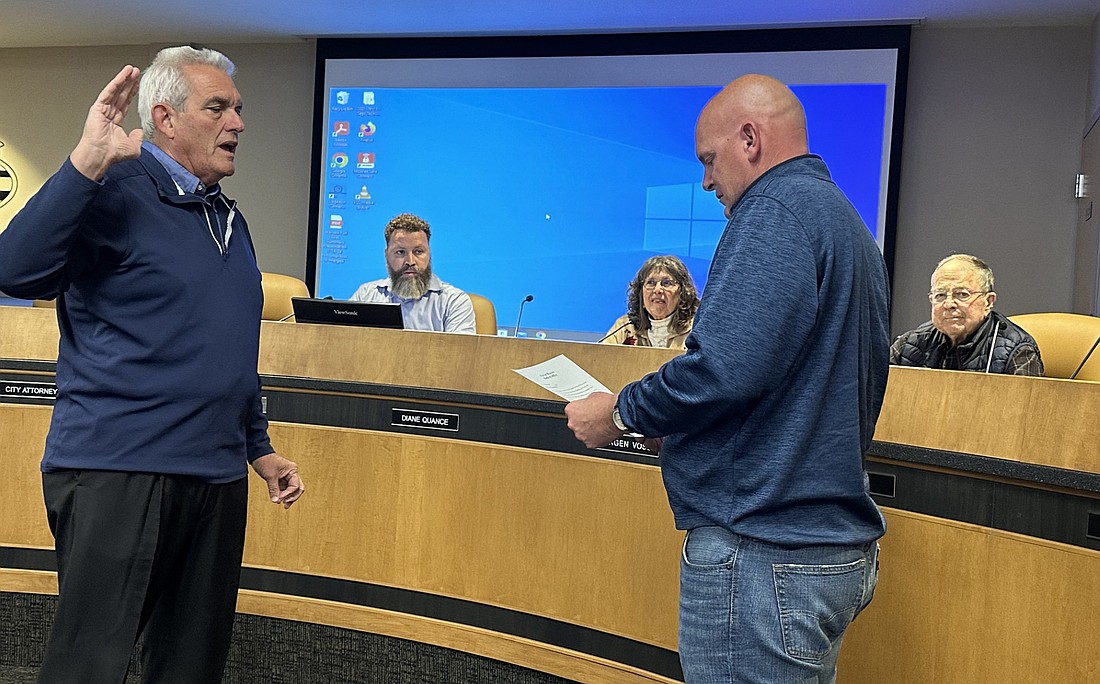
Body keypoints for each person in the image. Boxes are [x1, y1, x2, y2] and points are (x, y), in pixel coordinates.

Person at [565, 74, 889, 683]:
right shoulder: (843, 222)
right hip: (817, 547)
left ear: (750, 139)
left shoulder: (773, 210)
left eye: (710, 161)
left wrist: (621, 411)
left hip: (763, 555)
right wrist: (688, 431)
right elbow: (789, 384)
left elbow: (723, 368)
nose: (708, 180)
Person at [0, 47, 303, 683]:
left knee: (191, 667)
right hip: (120, 470)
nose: (237, 123)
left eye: (239, 109)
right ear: (164, 118)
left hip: (216, 478)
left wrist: (258, 448)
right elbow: (15, 269)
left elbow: (229, 349)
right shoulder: (113, 189)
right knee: (91, 667)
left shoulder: (229, 218)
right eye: (217, 108)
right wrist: (84, 163)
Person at [891, 253, 1044, 375]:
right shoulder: (909, 345)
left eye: (962, 294)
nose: (949, 304)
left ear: (988, 302)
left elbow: (1026, 412)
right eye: (940, 295)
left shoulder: (1018, 352)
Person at [349, 212, 476, 333]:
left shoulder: (454, 302)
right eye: (400, 252)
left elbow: (460, 354)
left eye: (418, 251)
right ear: (386, 255)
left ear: (429, 254)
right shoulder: (366, 296)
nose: (410, 261)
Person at [602, 255, 700, 349]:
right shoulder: (626, 326)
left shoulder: (696, 328)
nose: (657, 290)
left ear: (682, 293)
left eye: (666, 283)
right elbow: (599, 359)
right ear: (640, 293)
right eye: (650, 283)